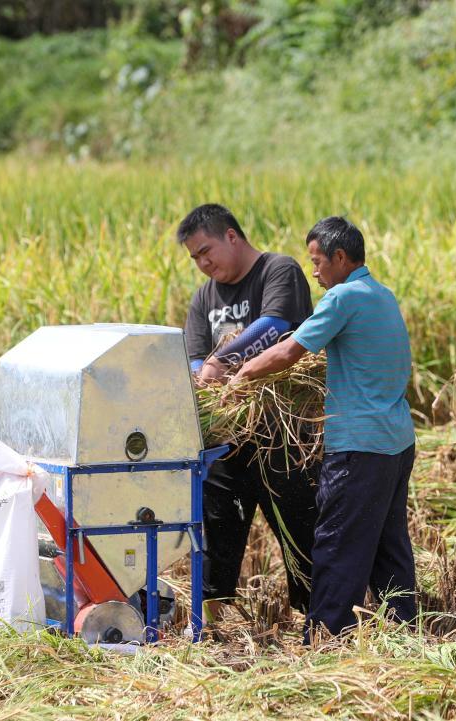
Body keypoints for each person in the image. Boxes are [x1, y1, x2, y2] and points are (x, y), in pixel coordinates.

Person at [233, 216, 417, 641]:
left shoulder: (342, 298)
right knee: (389, 544)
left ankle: (325, 637)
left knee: (336, 543)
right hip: (396, 442)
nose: (313, 271)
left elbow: (288, 352)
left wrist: (239, 376)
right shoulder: (381, 294)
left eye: (317, 261)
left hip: (358, 446)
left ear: (339, 257)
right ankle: (404, 629)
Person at [177, 203, 319, 624]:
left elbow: (276, 323)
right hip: (226, 440)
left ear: (232, 237)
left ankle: (318, 623)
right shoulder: (205, 296)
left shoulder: (279, 271)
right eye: (195, 258)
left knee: (300, 531)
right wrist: (202, 373)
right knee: (217, 529)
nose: (203, 263)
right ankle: (213, 624)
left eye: (207, 251)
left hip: (283, 434)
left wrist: (221, 364)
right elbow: (192, 359)